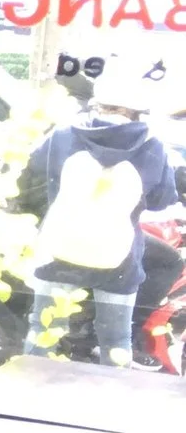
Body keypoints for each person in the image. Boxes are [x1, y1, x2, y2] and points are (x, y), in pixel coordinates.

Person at [18, 72, 182, 365]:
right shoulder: (152, 146)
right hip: (118, 262)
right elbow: (160, 201)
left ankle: (20, 396)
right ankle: (108, 401)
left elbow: (28, 175)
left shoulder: (63, 134)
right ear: (135, 111)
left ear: (99, 103)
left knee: (42, 332)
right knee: (116, 341)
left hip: (58, 251)